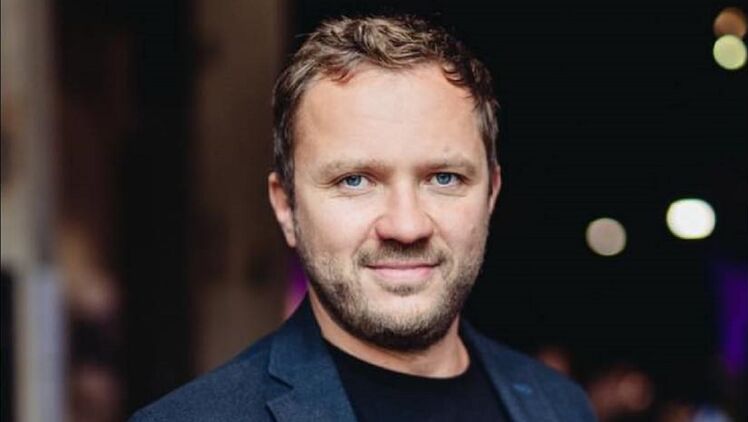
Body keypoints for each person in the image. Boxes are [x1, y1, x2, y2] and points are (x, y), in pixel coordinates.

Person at [131, 15, 596, 421]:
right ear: (286, 207)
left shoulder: (561, 405)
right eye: (354, 180)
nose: (406, 226)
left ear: (491, 193)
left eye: (444, 178)